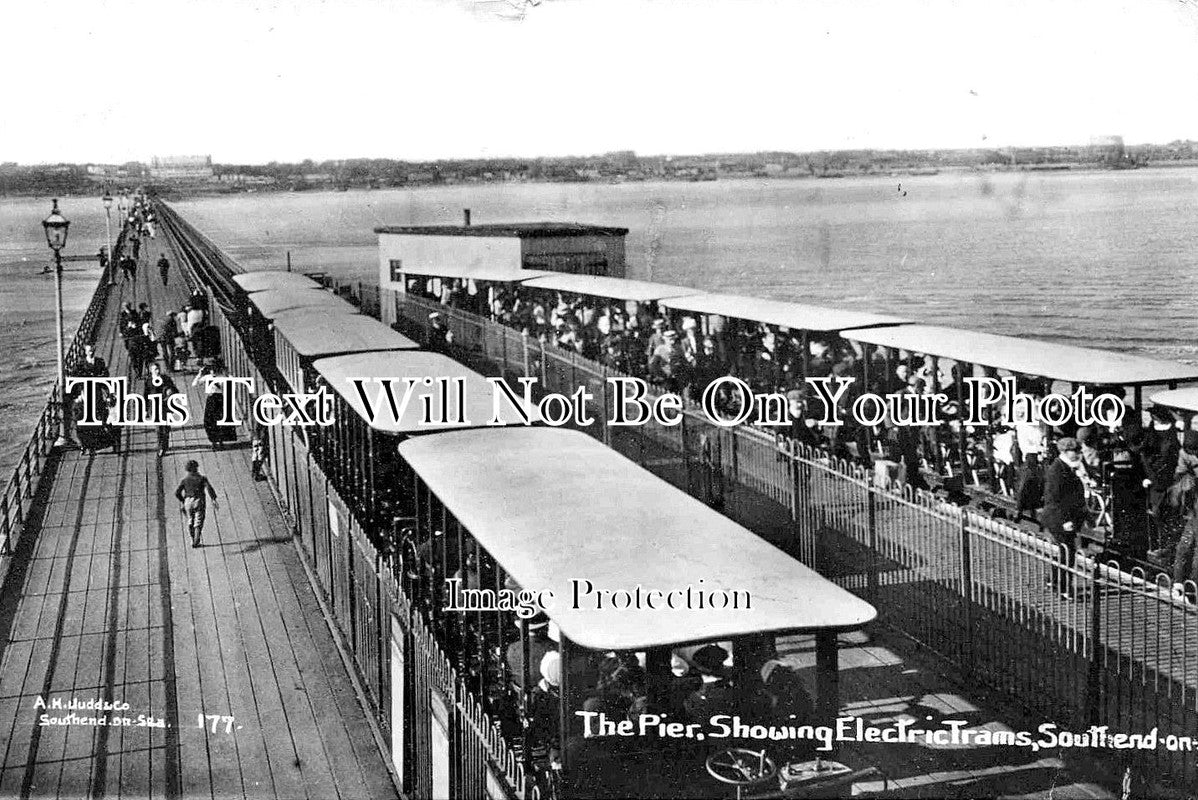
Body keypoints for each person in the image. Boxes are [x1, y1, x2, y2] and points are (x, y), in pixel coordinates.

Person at [1042, 437, 1088, 599]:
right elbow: (1054, 499)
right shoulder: (1058, 470)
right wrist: (1065, 521)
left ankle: (1054, 581)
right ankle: (1063, 588)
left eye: (1078, 451)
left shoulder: (1066, 467)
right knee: (1067, 552)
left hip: (1065, 517)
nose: (1077, 454)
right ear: (1064, 452)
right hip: (1059, 518)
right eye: (1074, 451)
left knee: (1063, 550)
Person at [505, 611, 556, 688]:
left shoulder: (512, 648)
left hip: (519, 685)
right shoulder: (549, 648)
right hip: (539, 688)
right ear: (543, 628)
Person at [195, 361, 238, 449]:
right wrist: (200, 373)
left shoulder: (222, 378)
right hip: (211, 399)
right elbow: (195, 384)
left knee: (220, 420)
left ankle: (221, 441)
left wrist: (227, 374)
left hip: (220, 399)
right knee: (209, 421)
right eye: (211, 370)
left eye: (214, 370)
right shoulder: (207, 377)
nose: (213, 372)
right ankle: (214, 442)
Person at [175, 460, 218, 548]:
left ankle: (192, 536)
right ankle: (196, 540)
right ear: (196, 468)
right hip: (199, 500)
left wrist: (183, 501)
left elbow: (177, 493)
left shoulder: (184, 480)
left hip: (188, 501)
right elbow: (209, 488)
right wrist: (213, 499)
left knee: (190, 519)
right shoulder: (202, 478)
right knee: (198, 521)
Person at [145, 362, 179, 457]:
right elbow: (146, 395)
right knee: (159, 429)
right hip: (154, 407)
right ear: (150, 371)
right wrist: (145, 410)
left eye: (157, 369)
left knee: (165, 428)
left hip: (165, 406)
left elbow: (175, 390)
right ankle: (161, 447)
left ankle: (164, 446)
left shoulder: (165, 379)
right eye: (154, 369)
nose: (157, 371)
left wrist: (170, 394)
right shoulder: (148, 380)